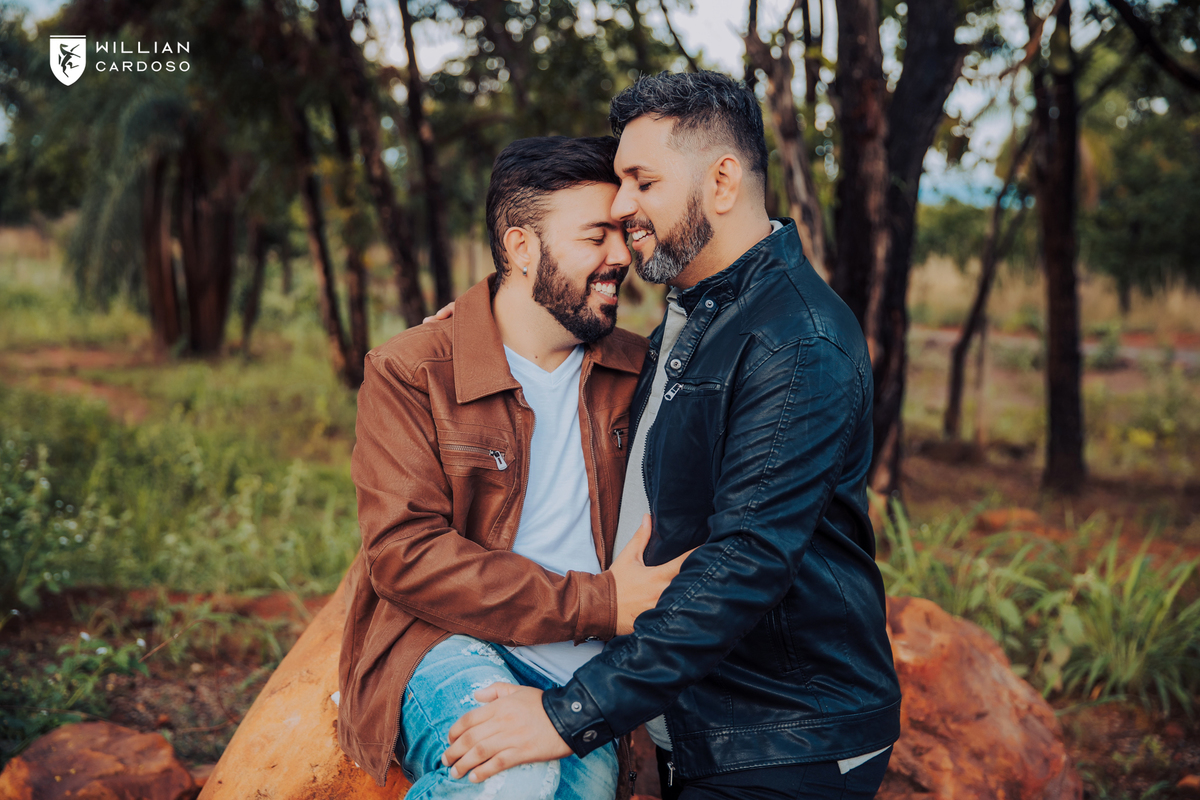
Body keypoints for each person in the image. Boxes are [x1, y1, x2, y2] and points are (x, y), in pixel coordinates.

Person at [442, 70, 902, 800]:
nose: (622, 207)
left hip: (782, 741)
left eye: (642, 181)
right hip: (701, 723)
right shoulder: (691, 320)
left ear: (722, 180)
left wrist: (568, 716)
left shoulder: (796, 340)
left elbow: (744, 562)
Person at [336, 135, 689, 800]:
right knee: (511, 777)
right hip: (445, 644)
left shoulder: (642, 371)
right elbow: (404, 555)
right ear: (521, 248)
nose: (621, 256)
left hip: (582, 680)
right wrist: (601, 603)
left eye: (622, 233)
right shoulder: (414, 371)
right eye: (595, 237)